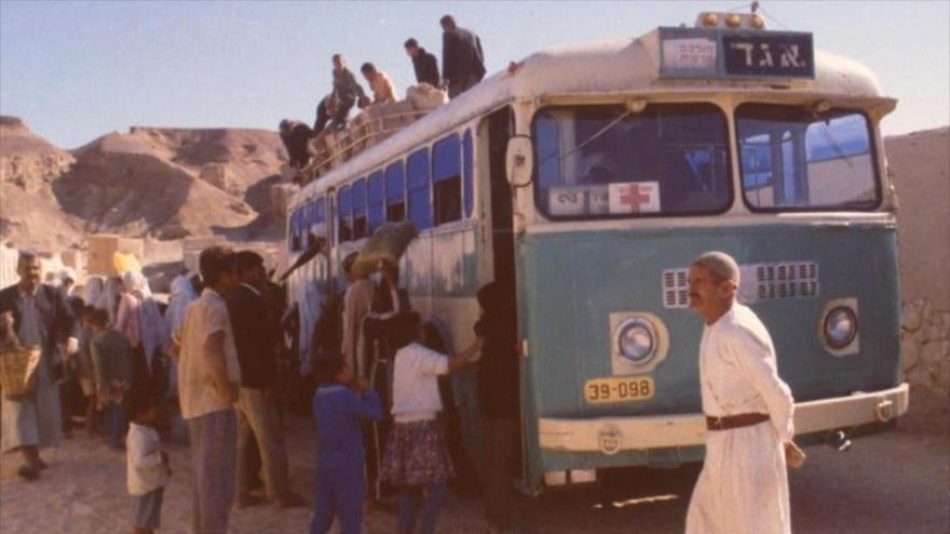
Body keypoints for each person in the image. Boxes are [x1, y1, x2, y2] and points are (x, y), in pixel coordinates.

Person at [684, 251, 805, 534]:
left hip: (748, 447)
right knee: (705, 523)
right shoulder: (716, 325)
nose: (691, 288)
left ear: (727, 288)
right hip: (721, 445)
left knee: (752, 526)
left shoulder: (737, 330)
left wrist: (784, 438)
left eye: (700, 281)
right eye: (690, 281)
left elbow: (776, 390)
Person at [382, 313, 484, 534]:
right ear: (415, 332)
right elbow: (451, 364)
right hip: (421, 428)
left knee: (411, 489)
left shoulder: (401, 355)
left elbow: (434, 371)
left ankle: (404, 529)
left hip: (402, 428)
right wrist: (477, 345)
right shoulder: (419, 353)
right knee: (437, 487)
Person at [173, 246, 242, 534]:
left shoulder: (194, 308)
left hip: (196, 404)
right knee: (216, 486)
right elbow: (212, 350)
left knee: (205, 485)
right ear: (225, 275)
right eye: (235, 271)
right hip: (214, 406)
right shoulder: (214, 307)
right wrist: (227, 396)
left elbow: (175, 347)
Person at [227, 251, 303, 509]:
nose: (262, 272)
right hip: (257, 381)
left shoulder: (231, 299)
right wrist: (270, 382)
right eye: (257, 268)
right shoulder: (252, 300)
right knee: (270, 439)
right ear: (244, 272)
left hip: (240, 380)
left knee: (242, 440)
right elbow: (259, 345)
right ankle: (278, 493)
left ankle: (241, 493)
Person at [0, 251, 74, 481]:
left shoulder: (52, 294)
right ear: (18, 270)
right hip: (16, 363)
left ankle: (35, 453)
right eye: (27, 268)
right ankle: (30, 461)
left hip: (45, 363)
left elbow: (70, 319)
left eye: (36, 268)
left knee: (43, 409)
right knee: (22, 409)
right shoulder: (5, 297)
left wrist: (72, 338)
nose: (32, 273)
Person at [310, 355, 384, 534]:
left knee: (322, 514)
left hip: (325, 461)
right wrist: (368, 391)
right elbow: (376, 413)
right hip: (347, 463)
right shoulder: (343, 395)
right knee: (350, 516)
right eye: (347, 368)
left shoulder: (319, 394)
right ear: (340, 373)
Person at [473, 281, 522, 531]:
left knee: (492, 459)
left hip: (488, 402)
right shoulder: (506, 328)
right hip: (505, 403)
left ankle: (493, 512)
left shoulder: (485, 326)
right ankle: (500, 520)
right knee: (502, 461)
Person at [88, 307, 133, 450]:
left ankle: (113, 440)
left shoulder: (96, 341)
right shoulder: (121, 336)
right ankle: (117, 438)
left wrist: (101, 384)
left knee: (109, 408)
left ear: (94, 324)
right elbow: (130, 357)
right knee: (119, 408)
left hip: (107, 379)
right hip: (123, 377)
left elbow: (99, 365)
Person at [127, 396, 171, 534]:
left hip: (152, 483)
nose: (155, 411)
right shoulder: (137, 436)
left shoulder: (146, 430)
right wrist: (159, 458)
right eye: (151, 408)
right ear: (141, 413)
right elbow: (140, 462)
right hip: (145, 486)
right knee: (141, 524)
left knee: (148, 523)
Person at [314, 54, 369, 134]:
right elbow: (335, 87)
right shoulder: (335, 73)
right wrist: (331, 102)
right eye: (335, 64)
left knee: (340, 118)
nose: (338, 66)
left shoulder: (349, 75)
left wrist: (362, 96)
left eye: (339, 63)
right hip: (339, 100)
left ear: (344, 63)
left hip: (348, 99)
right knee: (325, 108)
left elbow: (356, 86)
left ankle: (344, 125)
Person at [341, 252, 374, 380]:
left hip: (358, 348)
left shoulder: (355, 290)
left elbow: (350, 329)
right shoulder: (373, 285)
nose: (348, 277)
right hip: (371, 349)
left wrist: (348, 362)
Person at [440, 15, 486, 98]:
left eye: (443, 27)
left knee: (456, 104)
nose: (443, 29)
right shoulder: (471, 33)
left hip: (457, 76)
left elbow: (446, 55)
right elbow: (480, 54)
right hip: (474, 73)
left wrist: (445, 77)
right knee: (474, 99)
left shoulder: (448, 34)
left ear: (447, 25)